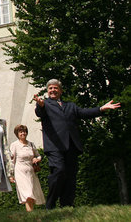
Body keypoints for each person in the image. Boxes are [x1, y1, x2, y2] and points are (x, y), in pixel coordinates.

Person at [34, 79, 120, 209]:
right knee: (59, 171)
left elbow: (84, 113)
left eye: (55, 88)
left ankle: (67, 204)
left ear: (60, 91)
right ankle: (50, 204)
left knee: (70, 176)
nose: (53, 90)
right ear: (47, 91)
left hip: (71, 145)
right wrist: (40, 105)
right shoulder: (45, 104)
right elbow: (39, 113)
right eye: (50, 88)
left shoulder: (70, 106)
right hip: (55, 146)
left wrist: (101, 108)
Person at [9, 124, 45, 211]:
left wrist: (37, 159)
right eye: (21, 132)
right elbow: (11, 161)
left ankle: (30, 213)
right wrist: (10, 175)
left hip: (31, 172)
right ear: (17, 134)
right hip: (20, 172)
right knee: (28, 194)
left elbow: (39, 156)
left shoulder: (31, 144)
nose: (23, 133)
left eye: (24, 132)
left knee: (32, 193)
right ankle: (30, 214)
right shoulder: (14, 145)